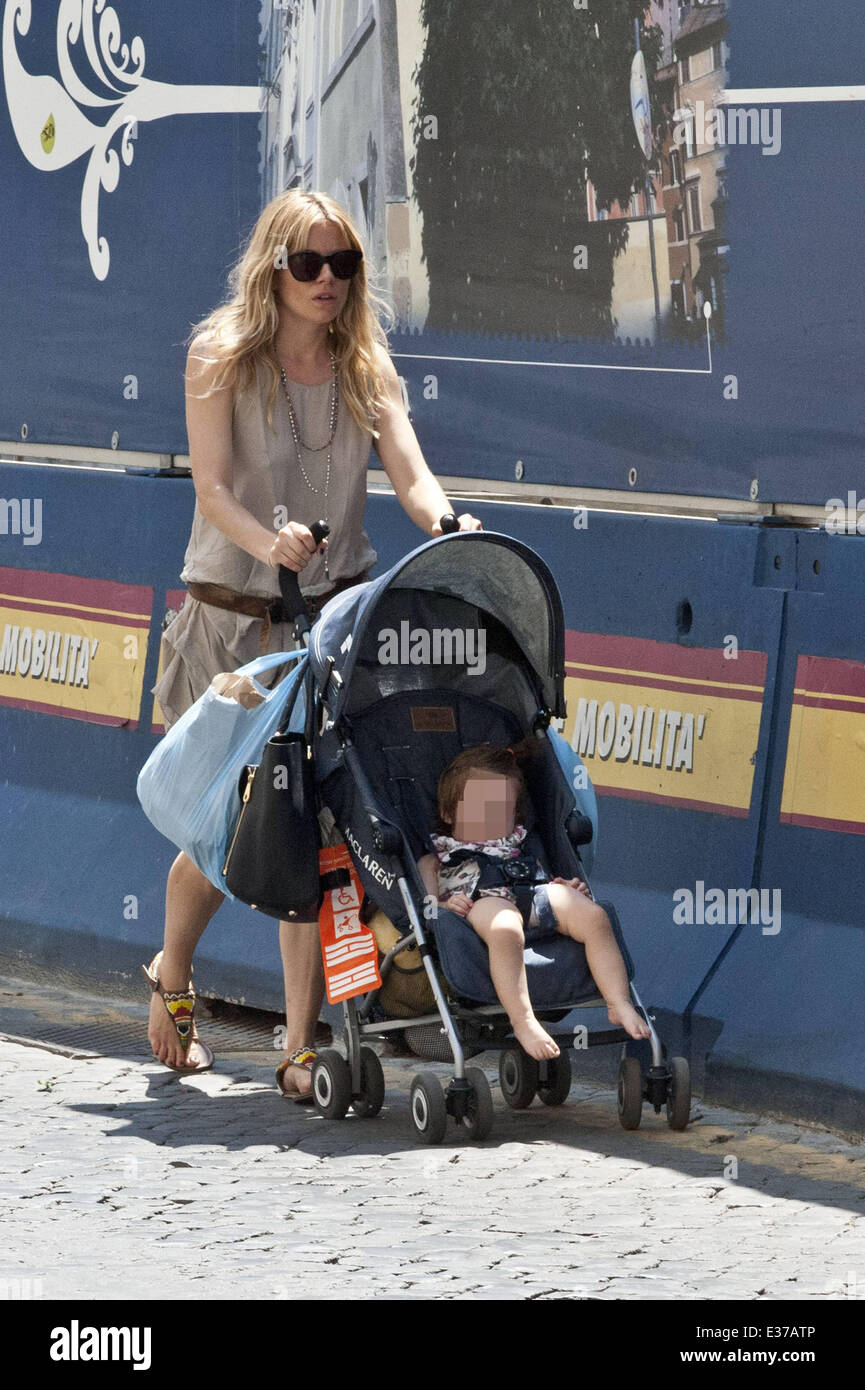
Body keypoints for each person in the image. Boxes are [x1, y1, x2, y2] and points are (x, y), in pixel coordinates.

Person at [144, 189, 481, 1098]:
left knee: (318, 835)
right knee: (227, 832)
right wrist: (271, 543)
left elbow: (408, 468)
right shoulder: (220, 356)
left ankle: (301, 1047)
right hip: (233, 619)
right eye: (308, 265)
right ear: (274, 271)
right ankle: (172, 974)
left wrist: (446, 521)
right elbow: (211, 489)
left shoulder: (365, 364)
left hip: (333, 626)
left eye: (344, 265)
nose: (328, 281)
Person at [416, 742, 651, 1061]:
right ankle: (523, 1020)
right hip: (479, 904)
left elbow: (544, 872)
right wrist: (442, 906)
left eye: (500, 809)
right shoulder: (437, 857)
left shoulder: (519, 841)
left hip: (532, 889)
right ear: (448, 812)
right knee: (506, 927)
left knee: (594, 916)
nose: (489, 816)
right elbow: (427, 907)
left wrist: (566, 886)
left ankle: (618, 1002)